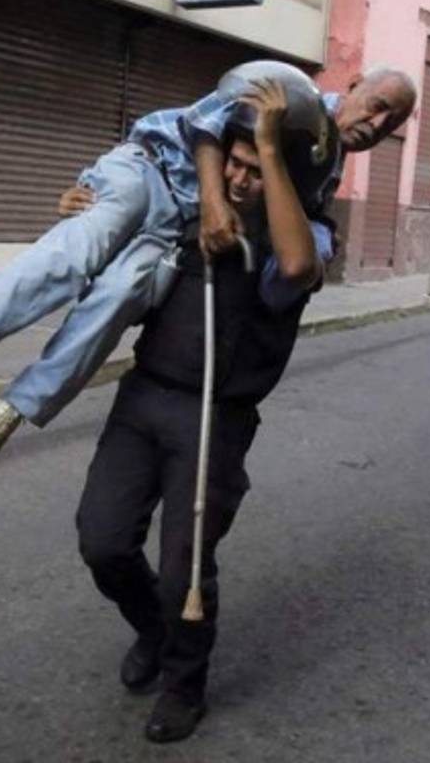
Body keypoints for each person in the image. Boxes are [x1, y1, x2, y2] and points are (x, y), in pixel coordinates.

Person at [0, 64, 417, 461]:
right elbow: (201, 125)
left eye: (390, 123)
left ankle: (17, 408)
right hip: (151, 170)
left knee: (121, 295)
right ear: (353, 84)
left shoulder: (326, 165)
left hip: (176, 221)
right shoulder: (286, 89)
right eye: (376, 106)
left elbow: (297, 223)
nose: (376, 125)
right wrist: (216, 203)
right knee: (84, 247)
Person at [75, 83, 335, 743]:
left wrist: (272, 149)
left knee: (186, 566)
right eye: (237, 166)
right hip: (144, 398)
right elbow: (110, 246)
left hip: (217, 419)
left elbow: (299, 267)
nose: (243, 181)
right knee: (102, 541)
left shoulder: (299, 238)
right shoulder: (186, 208)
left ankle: (184, 685)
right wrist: (84, 209)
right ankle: (157, 634)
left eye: (258, 169)